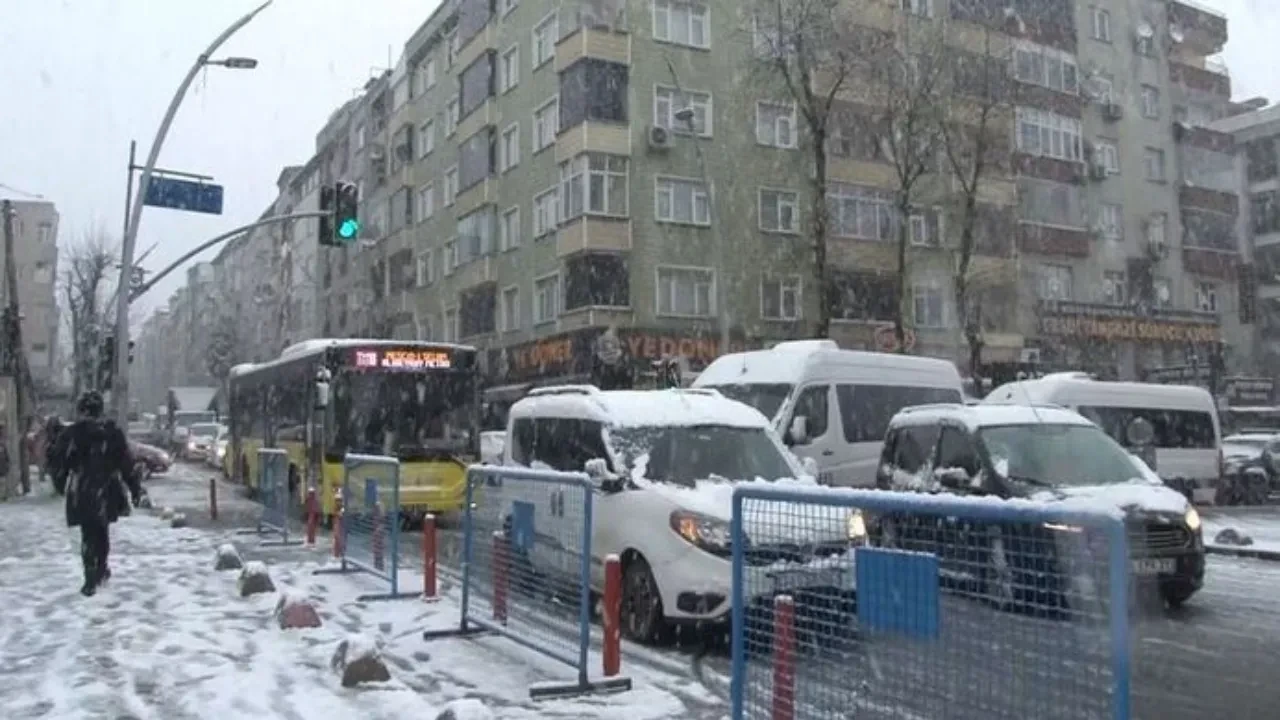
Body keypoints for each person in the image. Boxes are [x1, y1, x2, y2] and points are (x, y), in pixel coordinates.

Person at [54, 391, 142, 597]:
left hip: (82, 488)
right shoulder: (112, 433)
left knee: (88, 532)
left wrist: (60, 483)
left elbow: (60, 462)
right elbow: (126, 464)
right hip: (107, 488)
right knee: (102, 530)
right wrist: (135, 489)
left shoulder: (73, 434)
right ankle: (101, 567)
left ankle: (90, 575)